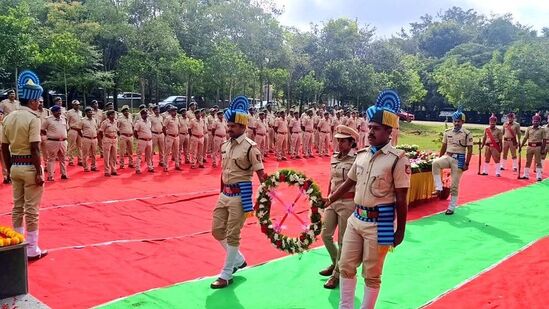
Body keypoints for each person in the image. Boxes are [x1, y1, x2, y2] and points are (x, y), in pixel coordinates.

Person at [324, 97, 410, 309]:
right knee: (345, 266)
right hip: (356, 218)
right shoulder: (362, 155)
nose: (370, 132)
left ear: (389, 131)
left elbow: (402, 198)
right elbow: (348, 182)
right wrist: (329, 199)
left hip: (380, 224)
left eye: (376, 128)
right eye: (369, 127)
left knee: (372, 274)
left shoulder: (398, 159)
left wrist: (400, 230)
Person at [210, 96, 265, 289]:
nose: (229, 128)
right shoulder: (225, 145)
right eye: (228, 125)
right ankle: (239, 259)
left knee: (233, 234)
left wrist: (264, 199)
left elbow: (261, 175)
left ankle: (226, 274)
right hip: (224, 194)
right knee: (217, 231)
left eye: (233, 126)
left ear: (243, 127)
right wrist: (220, 192)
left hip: (240, 196)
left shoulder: (251, 147)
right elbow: (223, 173)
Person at [1, 70, 48, 260]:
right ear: (33, 101)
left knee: (17, 207)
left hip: (15, 166)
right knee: (32, 210)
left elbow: (4, 147)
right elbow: (35, 147)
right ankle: (31, 249)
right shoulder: (33, 118)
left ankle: (18, 245)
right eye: (38, 100)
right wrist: (39, 171)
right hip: (30, 166)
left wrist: (9, 167)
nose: (39, 103)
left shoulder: (9, 118)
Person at [319, 125, 358, 289]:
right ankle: (336, 262)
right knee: (325, 234)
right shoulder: (334, 157)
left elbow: (352, 183)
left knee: (343, 240)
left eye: (343, 141)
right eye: (338, 141)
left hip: (347, 203)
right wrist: (328, 197)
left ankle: (337, 274)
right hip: (332, 201)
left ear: (351, 143)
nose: (340, 144)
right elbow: (332, 180)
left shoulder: (356, 160)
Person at [432, 110, 473, 215]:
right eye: (455, 121)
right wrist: (439, 157)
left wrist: (467, 163)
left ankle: (451, 207)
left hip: (459, 159)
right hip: (448, 156)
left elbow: (470, 150)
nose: (456, 123)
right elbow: (443, 146)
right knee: (435, 163)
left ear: (462, 122)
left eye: (458, 121)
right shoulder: (447, 132)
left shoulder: (467, 134)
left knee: (454, 185)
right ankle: (439, 187)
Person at [42, 105, 69, 181]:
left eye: (60, 111)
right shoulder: (48, 120)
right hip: (52, 141)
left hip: (63, 141)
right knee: (51, 158)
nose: (59, 112)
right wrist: (49, 135)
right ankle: (50, 176)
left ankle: (64, 174)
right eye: (57, 111)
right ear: (53, 112)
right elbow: (42, 129)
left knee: (63, 158)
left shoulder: (64, 119)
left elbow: (67, 129)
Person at [519, 113, 546, 181]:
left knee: (538, 162)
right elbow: (525, 138)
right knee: (528, 161)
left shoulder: (542, 129)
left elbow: (544, 140)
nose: (535, 122)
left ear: (539, 122)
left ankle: (539, 176)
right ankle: (526, 175)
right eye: (534, 121)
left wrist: (542, 149)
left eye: (537, 121)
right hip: (530, 146)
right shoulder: (529, 128)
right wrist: (521, 146)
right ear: (532, 121)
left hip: (538, 147)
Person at [133, 109, 154, 174]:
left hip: (149, 140)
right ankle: (138, 168)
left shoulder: (149, 122)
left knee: (149, 155)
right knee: (139, 155)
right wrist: (139, 138)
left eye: (147, 114)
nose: (146, 115)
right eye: (145, 114)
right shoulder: (139, 122)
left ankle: (150, 167)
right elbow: (135, 132)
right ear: (142, 115)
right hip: (142, 140)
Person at [99, 110, 119, 176]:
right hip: (107, 139)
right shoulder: (105, 122)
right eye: (112, 114)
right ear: (109, 115)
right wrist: (104, 139)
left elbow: (117, 130)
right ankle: (107, 171)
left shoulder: (115, 122)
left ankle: (113, 169)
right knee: (106, 156)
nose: (113, 116)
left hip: (114, 139)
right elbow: (101, 132)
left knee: (114, 155)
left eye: (114, 114)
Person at [80, 107, 99, 172]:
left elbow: (96, 128)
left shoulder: (94, 120)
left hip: (94, 139)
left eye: (91, 112)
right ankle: (85, 167)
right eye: (89, 112)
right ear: (86, 113)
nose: (90, 113)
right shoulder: (82, 120)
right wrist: (83, 136)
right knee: (85, 153)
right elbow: (79, 129)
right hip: (86, 138)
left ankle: (93, 166)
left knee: (94, 154)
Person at [163, 106, 181, 171]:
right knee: (167, 152)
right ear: (170, 112)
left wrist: (178, 133)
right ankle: (165, 166)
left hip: (176, 136)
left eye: (176, 111)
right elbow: (164, 127)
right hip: (169, 136)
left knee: (177, 152)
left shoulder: (177, 118)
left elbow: (178, 126)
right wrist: (166, 135)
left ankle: (177, 165)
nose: (175, 112)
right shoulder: (168, 118)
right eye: (173, 111)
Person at [66, 100, 83, 167]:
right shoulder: (69, 112)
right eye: (76, 105)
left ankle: (80, 160)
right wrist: (67, 130)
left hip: (79, 130)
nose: (77, 106)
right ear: (73, 105)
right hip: (73, 130)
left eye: (78, 104)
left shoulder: (80, 112)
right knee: (71, 146)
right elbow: (67, 121)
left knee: (80, 146)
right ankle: (71, 160)